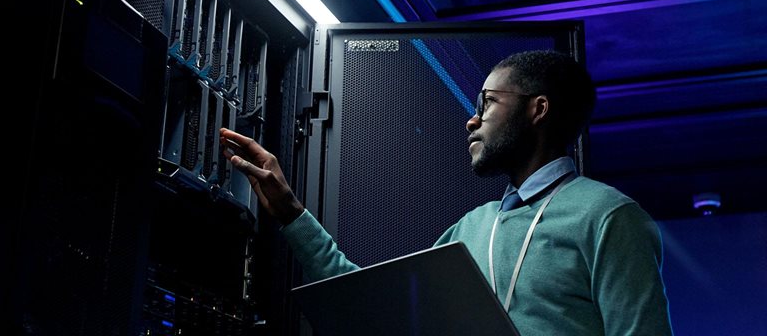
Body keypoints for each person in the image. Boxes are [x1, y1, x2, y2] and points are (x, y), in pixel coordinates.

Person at [219, 49, 674, 335]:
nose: (472, 120)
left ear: (539, 109)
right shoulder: (473, 228)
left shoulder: (609, 217)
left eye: (488, 103)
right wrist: (292, 213)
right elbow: (377, 308)